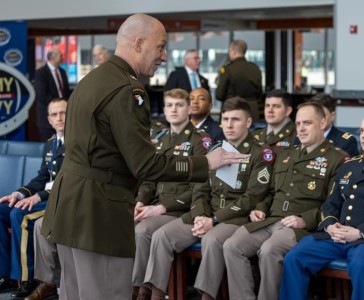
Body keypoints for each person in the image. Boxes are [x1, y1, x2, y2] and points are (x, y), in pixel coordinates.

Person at [40, 14, 245, 300]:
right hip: (100, 213)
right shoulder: (128, 90)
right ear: (138, 43)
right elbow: (146, 164)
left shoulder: (92, 80)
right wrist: (207, 163)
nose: (163, 56)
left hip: (72, 206)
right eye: (160, 47)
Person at [144, 97, 275, 300]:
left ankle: (206, 297)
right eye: (225, 119)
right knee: (162, 236)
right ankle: (154, 295)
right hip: (206, 215)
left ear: (248, 122)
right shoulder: (214, 150)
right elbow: (200, 187)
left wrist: (213, 220)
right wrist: (200, 215)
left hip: (234, 218)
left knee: (213, 239)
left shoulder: (261, 153)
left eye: (235, 120)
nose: (229, 125)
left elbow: (252, 197)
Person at [279, 115, 364, 300]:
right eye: (361, 131)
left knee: (360, 263)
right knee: (295, 256)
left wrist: (359, 232)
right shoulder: (349, 166)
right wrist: (330, 225)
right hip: (338, 237)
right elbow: (331, 203)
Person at [223, 102, 349, 300]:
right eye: (298, 124)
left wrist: (305, 219)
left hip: (301, 228)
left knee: (269, 250)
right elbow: (271, 192)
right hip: (271, 220)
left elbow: (336, 205)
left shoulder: (337, 159)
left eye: (307, 123)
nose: (301, 128)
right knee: (232, 245)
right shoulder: (286, 154)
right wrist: (260, 208)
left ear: (323, 123)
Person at [132, 88, 212, 299]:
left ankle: (145, 291)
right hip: (156, 206)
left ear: (188, 109)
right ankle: (125, 287)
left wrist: (161, 207)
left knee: (144, 231)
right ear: (164, 110)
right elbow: (150, 180)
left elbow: (200, 186)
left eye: (179, 105)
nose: (173, 110)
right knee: (123, 224)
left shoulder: (200, 141)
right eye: (169, 105)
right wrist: (140, 202)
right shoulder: (160, 139)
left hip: (181, 209)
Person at [0, 98, 66, 297]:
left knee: (20, 215)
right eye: (54, 115)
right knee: (3, 210)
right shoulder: (50, 144)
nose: (59, 118)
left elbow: (68, 181)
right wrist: (19, 193)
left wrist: (38, 197)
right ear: (48, 119)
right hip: (46, 196)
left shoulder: (77, 142)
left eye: (63, 113)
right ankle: (6, 276)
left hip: (63, 200)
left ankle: (27, 278)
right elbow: (42, 177)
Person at [216, 40, 262, 123]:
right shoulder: (255, 68)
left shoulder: (227, 69)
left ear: (233, 52)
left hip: (232, 110)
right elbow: (259, 93)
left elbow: (219, 95)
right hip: (252, 111)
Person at [34, 47, 70, 141]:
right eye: (60, 56)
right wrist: (59, 105)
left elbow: (66, 92)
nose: (62, 57)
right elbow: (42, 95)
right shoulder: (40, 73)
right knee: (48, 149)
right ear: (52, 58)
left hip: (64, 118)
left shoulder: (62, 72)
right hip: (47, 120)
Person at [252, 89, 298, 154]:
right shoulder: (254, 134)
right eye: (267, 106)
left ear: (288, 111)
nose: (270, 110)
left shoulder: (299, 135)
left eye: (276, 106)